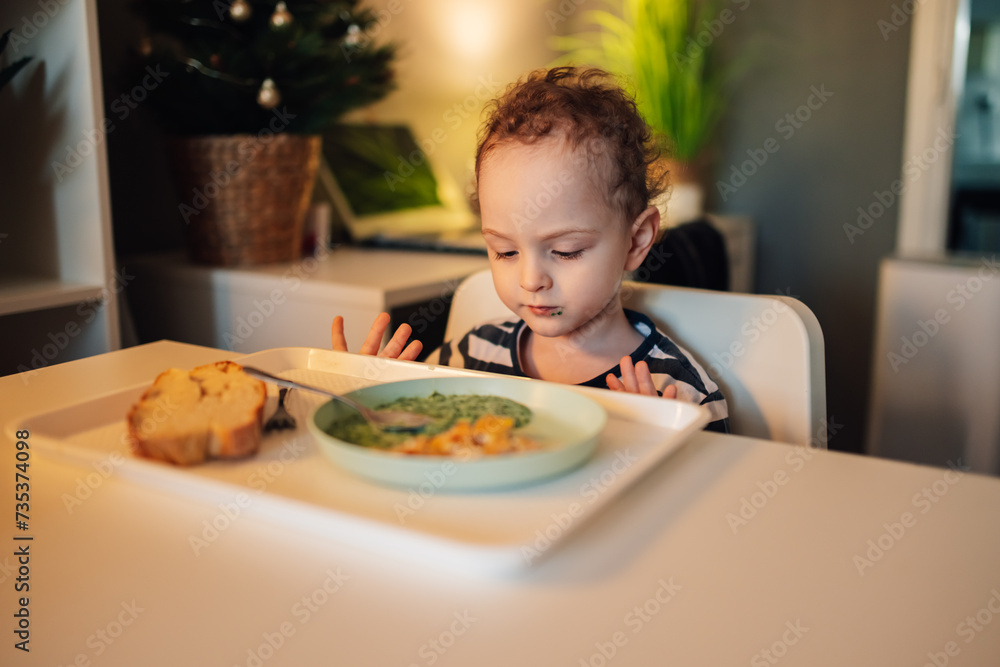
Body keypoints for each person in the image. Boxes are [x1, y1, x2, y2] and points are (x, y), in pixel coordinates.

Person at [331, 66, 728, 432]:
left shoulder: (677, 391)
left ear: (637, 240)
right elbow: (420, 445)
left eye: (567, 251)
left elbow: (714, 504)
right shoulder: (470, 356)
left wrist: (659, 442)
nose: (530, 280)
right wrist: (370, 394)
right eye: (505, 252)